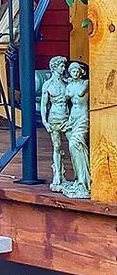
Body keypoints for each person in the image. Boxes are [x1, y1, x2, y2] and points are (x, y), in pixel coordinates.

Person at [40, 56, 68, 191]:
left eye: (64, 66)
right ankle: (57, 173)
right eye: (61, 66)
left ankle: (78, 175)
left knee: (73, 143)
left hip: (67, 117)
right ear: (54, 67)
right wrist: (44, 121)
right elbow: (44, 105)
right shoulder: (48, 85)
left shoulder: (67, 83)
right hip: (54, 117)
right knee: (57, 146)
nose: (64, 68)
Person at [63, 62, 90, 198]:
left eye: (76, 70)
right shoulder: (69, 86)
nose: (74, 73)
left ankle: (85, 180)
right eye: (72, 71)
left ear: (81, 72)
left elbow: (81, 94)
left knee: (76, 143)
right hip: (72, 118)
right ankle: (79, 178)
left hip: (83, 117)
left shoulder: (85, 83)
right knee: (72, 148)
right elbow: (62, 101)